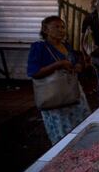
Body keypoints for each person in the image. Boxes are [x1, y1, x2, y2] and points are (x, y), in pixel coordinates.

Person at [27, 16, 91, 144]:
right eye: (56, 27)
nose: (61, 30)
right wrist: (58, 65)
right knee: (64, 133)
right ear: (45, 30)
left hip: (73, 92)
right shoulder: (39, 48)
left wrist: (78, 66)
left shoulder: (66, 46)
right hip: (54, 97)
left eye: (63, 27)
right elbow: (34, 73)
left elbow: (72, 64)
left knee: (82, 128)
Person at [81, 0, 99, 76]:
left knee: (98, 75)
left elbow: (83, 39)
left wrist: (85, 55)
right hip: (97, 52)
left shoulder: (88, 18)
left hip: (94, 52)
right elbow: (83, 39)